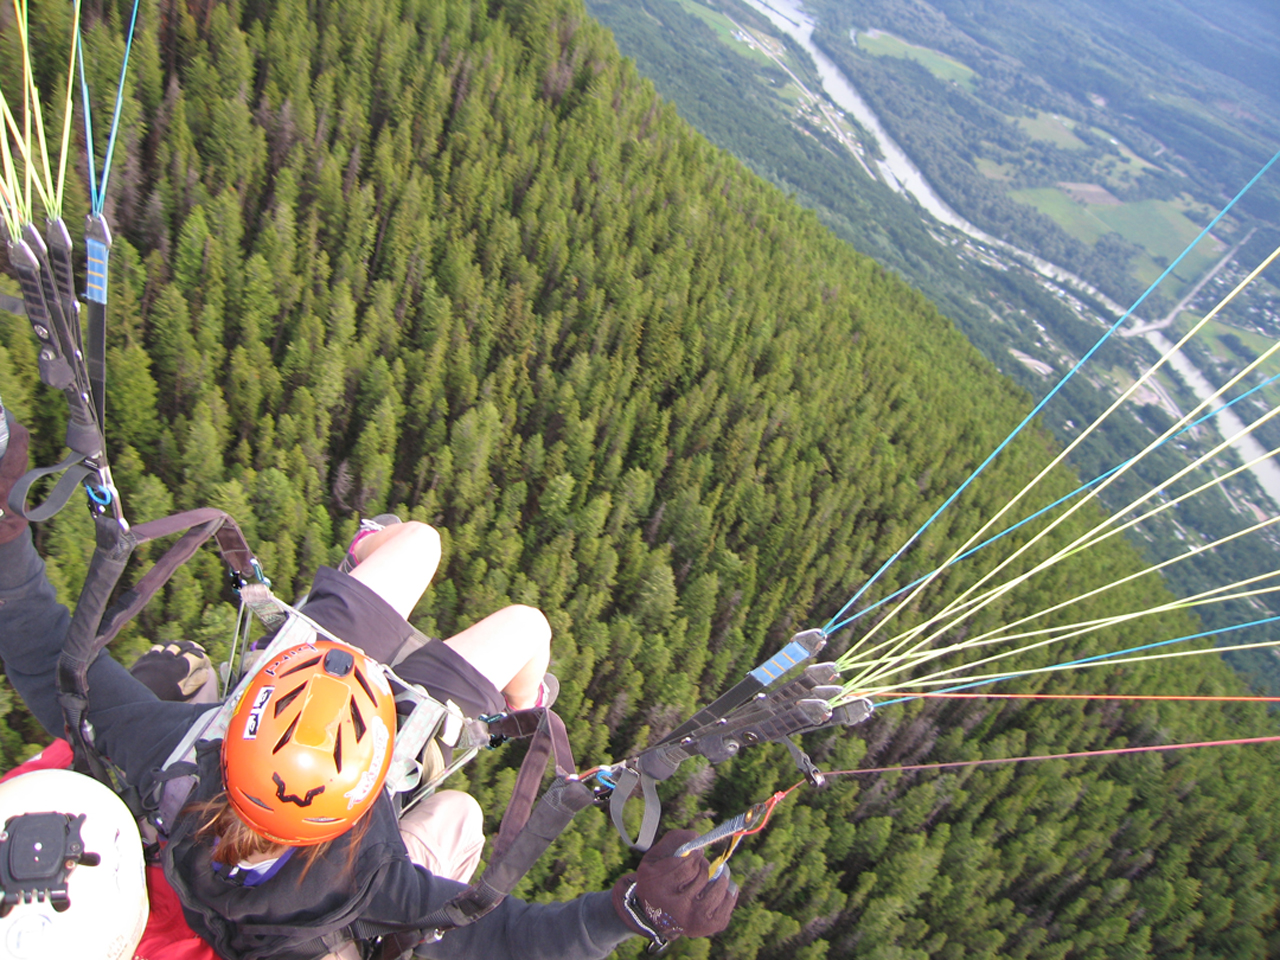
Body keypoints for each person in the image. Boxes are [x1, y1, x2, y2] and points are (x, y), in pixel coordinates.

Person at [0, 403, 737, 960]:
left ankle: (516, 691)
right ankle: (518, 692)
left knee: (497, 612)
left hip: (245, 825)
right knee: (459, 801)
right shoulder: (361, 875)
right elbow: (494, 935)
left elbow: (44, 656)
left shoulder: (167, 763)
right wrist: (634, 914)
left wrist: (627, 916)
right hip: (283, 818)